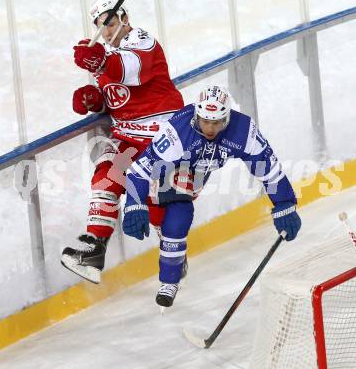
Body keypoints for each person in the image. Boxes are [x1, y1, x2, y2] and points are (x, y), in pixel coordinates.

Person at [122, 85, 302, 308]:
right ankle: (169, 279)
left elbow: (268, 168)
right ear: (197, 115)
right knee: (177, 214)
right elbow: (139, 171)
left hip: (200, 168)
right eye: (205, 121)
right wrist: (133, 204)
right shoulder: (177, 133)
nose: (209, 128)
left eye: (216, 122)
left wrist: (284, 203)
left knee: (179, 212)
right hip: (173, 164)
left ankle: (171, 266)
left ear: (226, 118)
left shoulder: (243, 130)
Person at [61, 0, 183, 283]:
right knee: (106, 175)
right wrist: (95, 101)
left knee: (155, 203)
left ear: (125, 20)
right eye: (102, 25)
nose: (107, 30)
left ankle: (173, 252)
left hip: (161, 135)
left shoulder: (142, 42)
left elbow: (131, 72)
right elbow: (119, 97)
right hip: (128, 137)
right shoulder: (106, 56)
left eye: (112, 22)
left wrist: (101, 61)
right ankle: (94, 250)